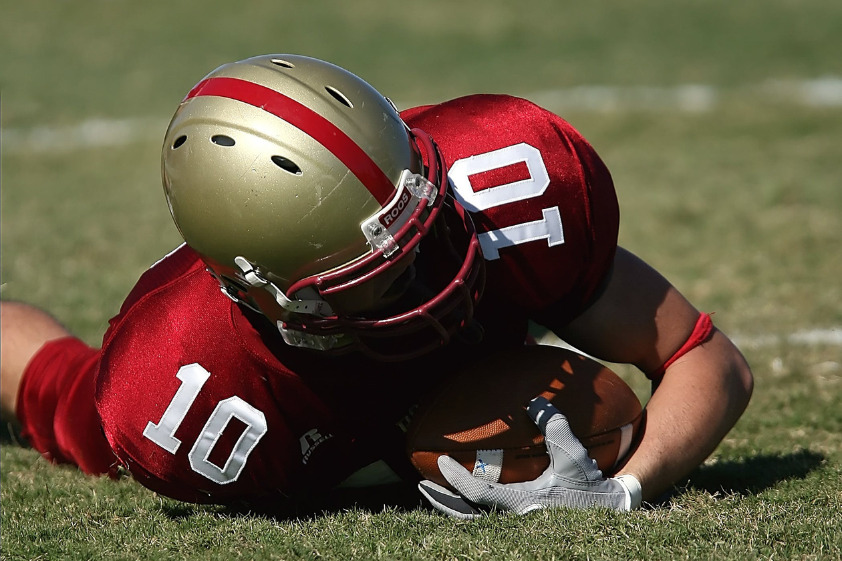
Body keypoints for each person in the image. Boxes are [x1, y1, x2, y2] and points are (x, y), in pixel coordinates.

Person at [0, 54, 753, 516]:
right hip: (280, 384)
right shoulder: (183, 393)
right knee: (63, 394)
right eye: (375, 276)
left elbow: (705, 356)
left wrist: (623, 492)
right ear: (267, 295)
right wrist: (411, 453)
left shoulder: (502, 185)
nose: (428, 275)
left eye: (421, 231)